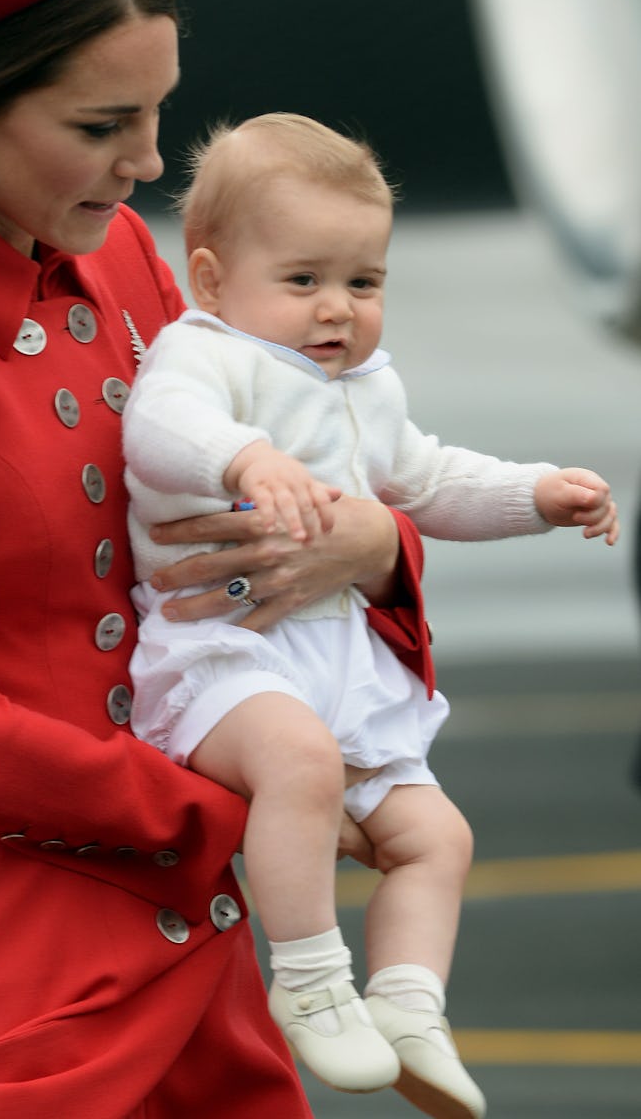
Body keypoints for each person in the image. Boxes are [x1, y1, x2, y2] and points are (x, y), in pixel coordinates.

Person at [0, 0, 438, 1117]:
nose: (149, 163)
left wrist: (373, 547)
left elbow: (321, 478)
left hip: (193, 946)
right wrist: (238, 809)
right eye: (101, 127)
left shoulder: (134, 268)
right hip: (5, 967)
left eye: (159, 113)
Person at [123, 113, 620, 1117]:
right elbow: (157, 428)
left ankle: (409, 1009)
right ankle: (310, 982)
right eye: (303, 280)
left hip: (335, 662)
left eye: (364, 281)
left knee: (436, 833)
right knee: (299, 765)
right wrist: (246, 459)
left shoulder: (363, 385)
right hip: (223, 655)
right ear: (213, 279)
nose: (336, 309)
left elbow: (427, 478)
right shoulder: (204, 353)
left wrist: (536, 495)